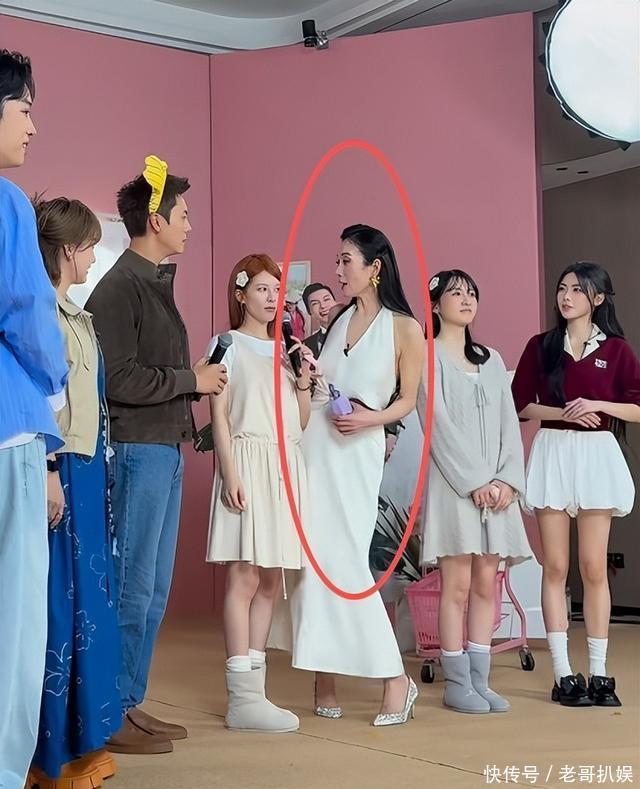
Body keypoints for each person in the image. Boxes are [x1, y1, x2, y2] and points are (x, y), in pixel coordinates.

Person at [86, 156, 228, 754]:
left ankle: (129, 700)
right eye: (184, 214)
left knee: (154, 588)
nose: (190, 224)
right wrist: (191, 381)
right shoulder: (120, 287)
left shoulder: (150, 282)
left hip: (163, 450)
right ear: (155, 220)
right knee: (133, 586)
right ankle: (110, 711)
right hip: (138, 451)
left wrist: (189, 385)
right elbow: (117, 379)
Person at [291, 224, 424, 726]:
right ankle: (323, 676)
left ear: (375, 267)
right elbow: (325, 387)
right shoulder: (341, 318)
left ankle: (395, 679)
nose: (338, 269)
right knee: (314, 564)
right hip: (318, 447)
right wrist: (307, 371)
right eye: (338, 260)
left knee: (346, 565)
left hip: (357, 451)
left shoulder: (404, 327)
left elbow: (406, 401)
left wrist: (371, 419)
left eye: (346, 260)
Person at [512, 262, 640, 708]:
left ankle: (600, 673)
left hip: (597, 456)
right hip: (553, 451)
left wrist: (599, 405)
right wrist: (565, 412)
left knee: (593, 567)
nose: (565, 297)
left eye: (577, 290)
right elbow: (521, 404)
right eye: (562, 288)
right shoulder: (542, 346)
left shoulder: (618, 350)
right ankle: (563, 673)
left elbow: (637, 406)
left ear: (598, 299)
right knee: (555, 566)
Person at [28, 198, 122, 789]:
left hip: (86, 469)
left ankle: (82, 742)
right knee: (61, 605)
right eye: (88, 246)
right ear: (68, 250)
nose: (92, 257)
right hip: (61, 466)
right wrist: (50, 468)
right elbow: (41, 395)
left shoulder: (74, 313)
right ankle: (50, 752)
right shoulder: (42, 311)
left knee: (89, 600)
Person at [207, 254, 314, 732]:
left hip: (285, 466)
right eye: (262, 290)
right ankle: (241, 696)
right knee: (245, 576)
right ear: (241, 294)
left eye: (277, 291)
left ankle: (256, 693)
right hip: (247, 463)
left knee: (272, 579)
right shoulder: (226, 345)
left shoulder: (289, 349)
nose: (272, 299)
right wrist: (230, 473)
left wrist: (304, 382)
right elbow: (219, 416)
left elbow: (300, 422)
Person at [417, 270, 532, 714]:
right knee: (457, 585)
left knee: (488, 582)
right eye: (455, 293)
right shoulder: (427, 356)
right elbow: (437, 425)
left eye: (471, 293)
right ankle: (456, 682)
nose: (466, 299)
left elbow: (508, 424)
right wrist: (476, 481)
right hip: (455, 489)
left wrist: (506, 480)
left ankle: (481, 680)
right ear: (435, 304)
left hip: (497, 494)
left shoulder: (491, 359)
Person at [0, 49, 68, 789]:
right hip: (10, 427)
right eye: (24, 109)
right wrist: (56, 385)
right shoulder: (7, 202)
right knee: (14, 614)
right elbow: (27, 313)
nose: (32, 126)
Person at [302, 282, 337, 358]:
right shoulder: (306, 345)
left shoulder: (355, 330)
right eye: (315, 303)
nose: (323, 306)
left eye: (326, 299)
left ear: (335, 302)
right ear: (309, 311)